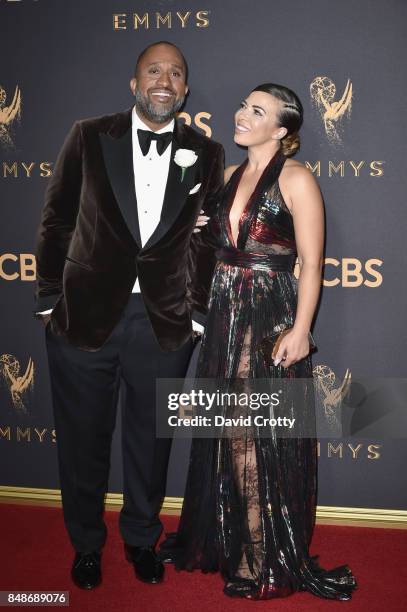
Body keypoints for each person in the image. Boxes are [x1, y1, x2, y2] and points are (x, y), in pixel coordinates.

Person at [34, 41, 224, 590]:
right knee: (82, 442)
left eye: (176, 73)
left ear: (185, 90)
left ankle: (142, 538)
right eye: (154, 70)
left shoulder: (205, 154)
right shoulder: (89, 135)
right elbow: (56, 219)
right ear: (134, 82)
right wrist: (51, 300)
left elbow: (207, 242)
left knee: (151, 442)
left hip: (164, 326)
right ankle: (86, 545)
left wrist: (196, 317)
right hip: (83, 319)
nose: (165, 79)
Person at [159, 83, 357, 601]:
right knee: (230, 434)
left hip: (269, 315)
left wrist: (300, 330)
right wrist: (200, 227)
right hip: (225, 315)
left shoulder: (297, 179)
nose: (241, 114)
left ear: (282, 130)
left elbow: (311, 264)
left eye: (257, 110)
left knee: (255, 439)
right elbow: (210, 243)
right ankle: (235, 543)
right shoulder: (225, 177)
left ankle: (263, 558)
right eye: (244, 106)